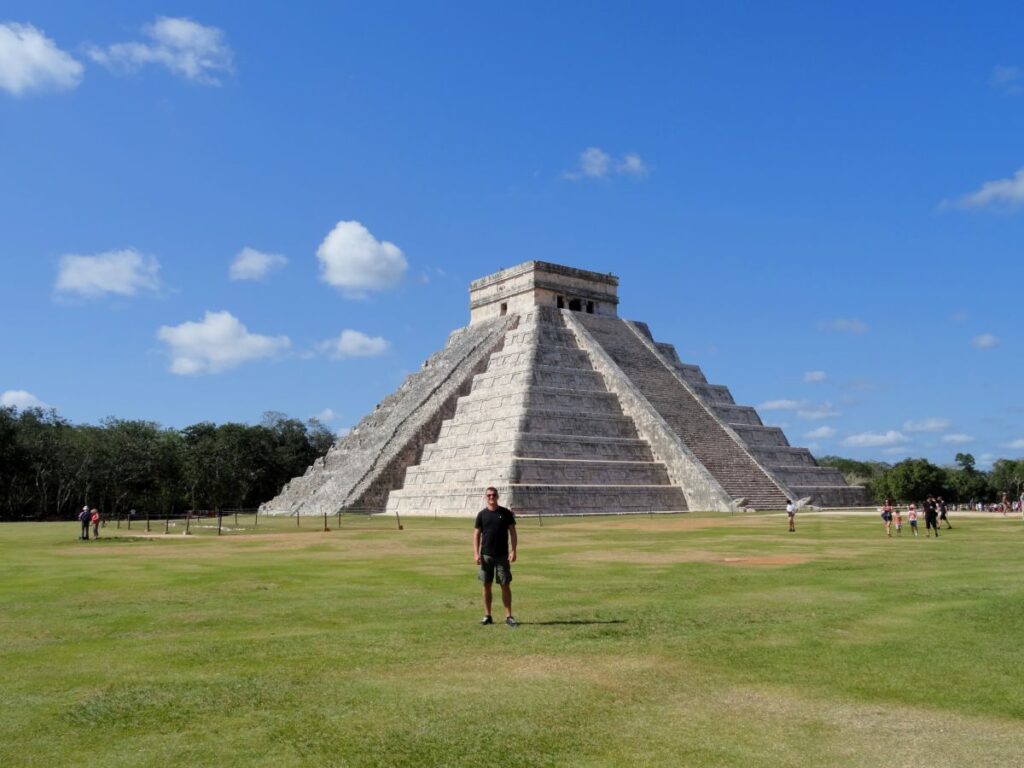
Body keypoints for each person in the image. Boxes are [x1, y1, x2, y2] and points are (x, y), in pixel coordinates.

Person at [473, 487, 518, 627]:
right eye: (488, 495)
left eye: (493, 495)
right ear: (485, 497)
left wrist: (513, 550)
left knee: (505, 584)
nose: (491, 497)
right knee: (486, 585)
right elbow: (476, 534)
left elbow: (513, 532)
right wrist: (476, 553)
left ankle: (509, 616)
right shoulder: (481, 514)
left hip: (502, 555)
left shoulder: (505, 513)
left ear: (497, 496)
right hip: (486, 555)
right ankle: (487, 615)